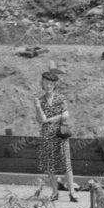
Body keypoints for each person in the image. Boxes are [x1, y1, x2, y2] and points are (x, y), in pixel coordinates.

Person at [34, 69, 77, 201]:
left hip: (61, 134)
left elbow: (65, 116)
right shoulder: (40, 101)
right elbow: (41, 120)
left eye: (50, 84)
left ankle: (72, 192)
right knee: (50, 165)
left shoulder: (60, 98)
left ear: (54, 85)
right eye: (45, 83)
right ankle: (54, 192)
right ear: (42, 84)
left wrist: (49, 119)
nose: (47, 86)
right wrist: (38, 107)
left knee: (66, 163)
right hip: (47, 136)